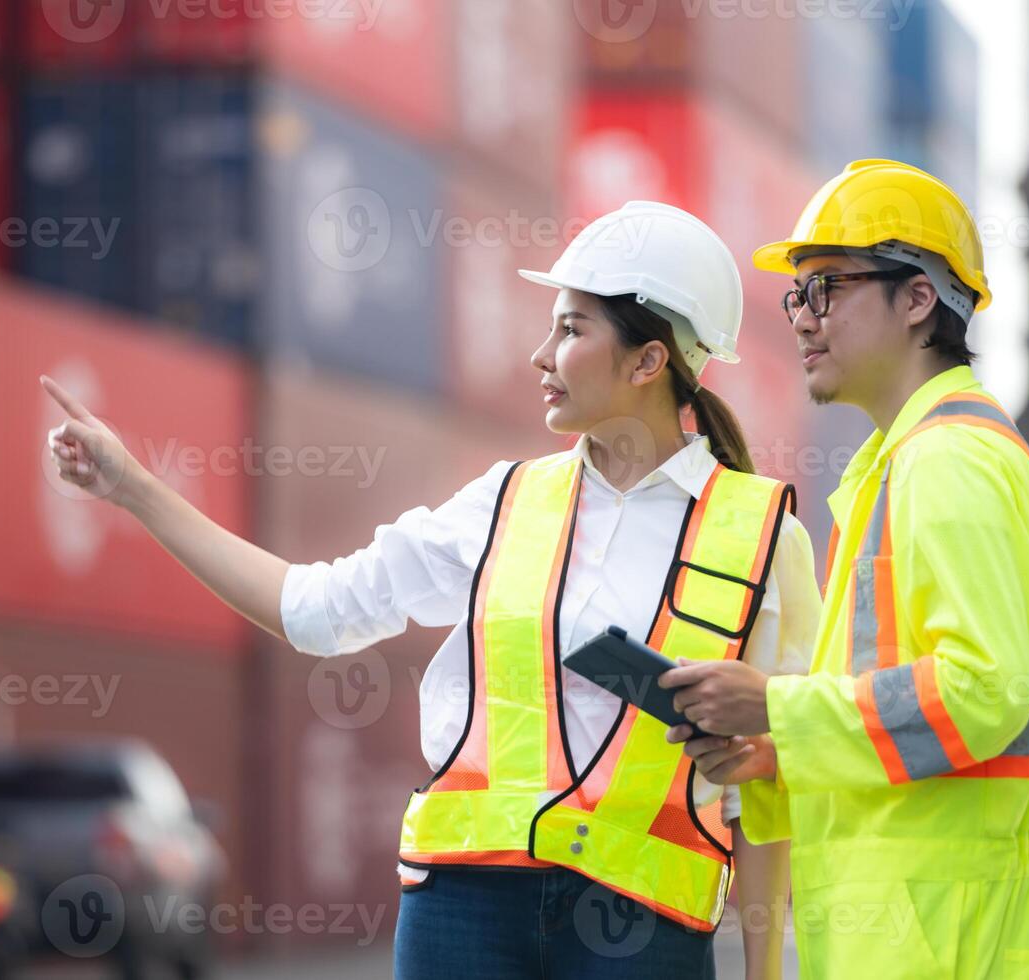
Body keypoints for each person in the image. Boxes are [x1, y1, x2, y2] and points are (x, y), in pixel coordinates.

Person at [43, 200, 822, 979]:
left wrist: (763, 971)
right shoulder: (502, 502)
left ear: (648, 361)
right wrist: (131, 488)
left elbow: (776, 777)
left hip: (639, 932)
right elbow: (314, 612)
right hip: (464, 913)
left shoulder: (762, 538)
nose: (539, 355)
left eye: (572, 330)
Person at [660, 160, 1029, 978]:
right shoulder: (902, 465)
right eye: (796, 295)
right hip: (915, 931)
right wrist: (776, 753)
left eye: (827, 289)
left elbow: (984, 688)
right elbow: (910, 706)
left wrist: (775, 706)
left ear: (917, 299)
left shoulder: (948, 460)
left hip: (940, 940)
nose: (803, 320)